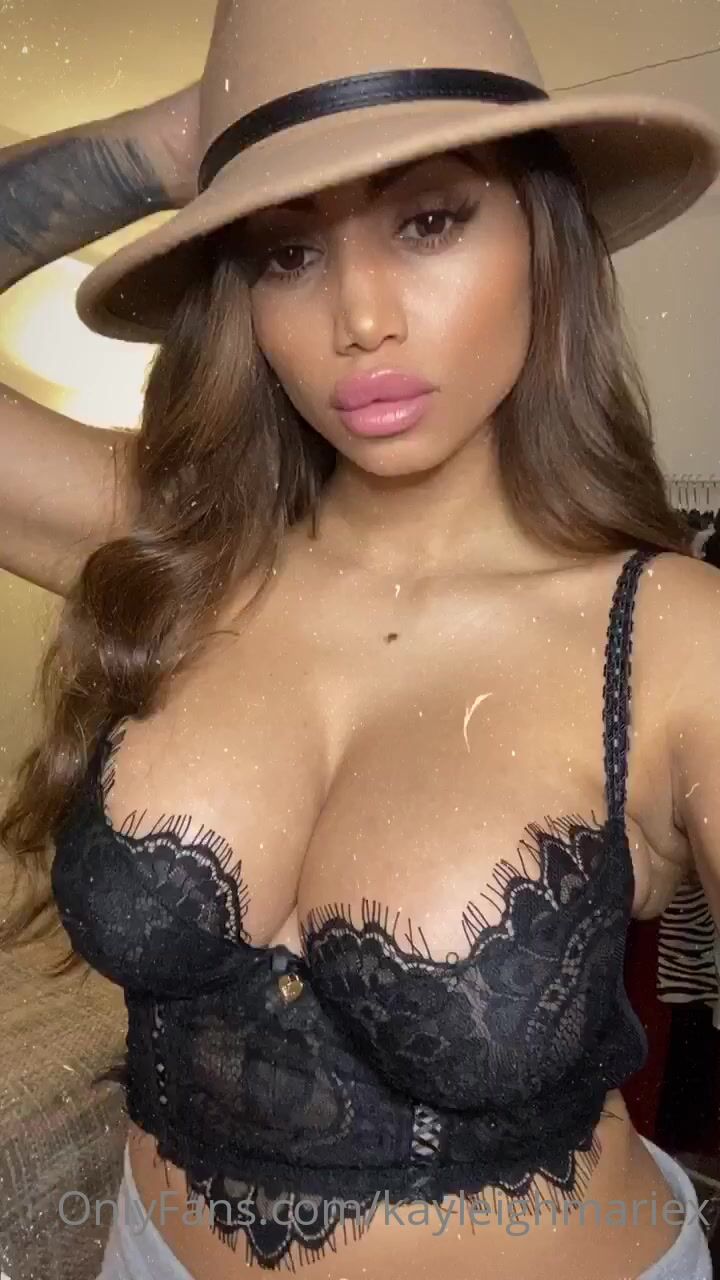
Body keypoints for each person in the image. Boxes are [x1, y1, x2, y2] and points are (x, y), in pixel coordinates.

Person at [1, 1, 720, 1277]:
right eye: (286, 252)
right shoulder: (174, 550)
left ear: (544, 237)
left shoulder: (671, 639)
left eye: (430, 220)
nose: (361, 317)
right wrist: (173, 144)